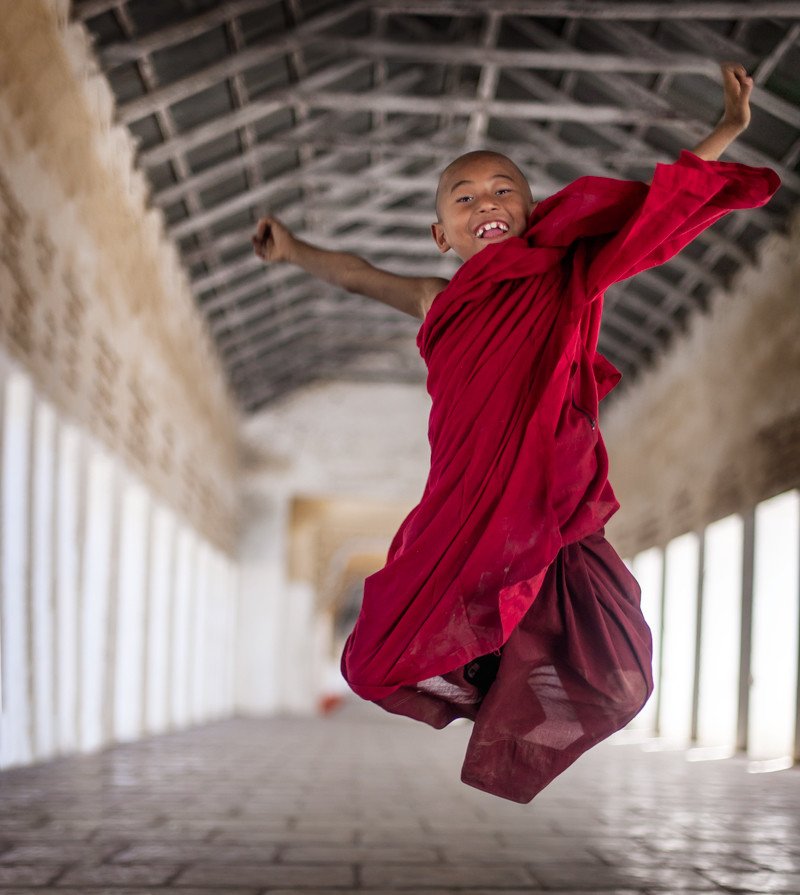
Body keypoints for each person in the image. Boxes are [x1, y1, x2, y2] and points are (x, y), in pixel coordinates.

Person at [251, 63, 780, 803]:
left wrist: (726, 127)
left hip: (547, 496)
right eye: (464, 198)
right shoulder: (440, 299)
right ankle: (479, 686)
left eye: (504, 189)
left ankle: (508, 692)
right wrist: (294, 249)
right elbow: (358, 274)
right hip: (464, 500)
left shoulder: (565, 273)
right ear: (442, 234)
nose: (486, 202)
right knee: (371, 659)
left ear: (532, 211)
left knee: (620, 666)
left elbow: (653, 217)